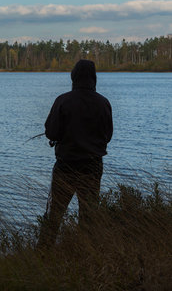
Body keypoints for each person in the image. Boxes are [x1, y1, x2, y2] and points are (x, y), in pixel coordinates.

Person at [38, 59, 113, 248]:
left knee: (55, 214)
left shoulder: (63, 101)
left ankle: (42, 254)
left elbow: (51, 132)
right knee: (88, 214)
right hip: (93, 166)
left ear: (74, 76)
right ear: (93, 78)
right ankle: (85, 253)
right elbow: (108, 136)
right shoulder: (104, 103)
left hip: (66, 166)